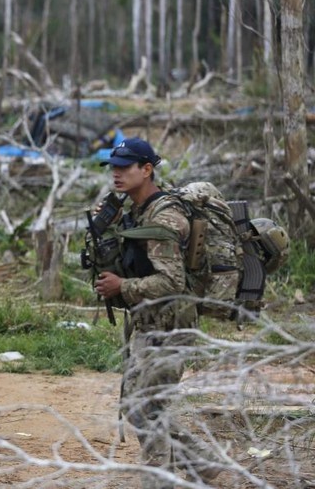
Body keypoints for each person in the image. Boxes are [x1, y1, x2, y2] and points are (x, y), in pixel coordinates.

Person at [94, 138, 223, 488]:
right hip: (149, 325)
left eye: (125, 167)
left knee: (148, 409)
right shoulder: (137, 210)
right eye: (114, 167)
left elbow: (171, 281)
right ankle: (202, 463)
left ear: (147, 169)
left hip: (170, 328)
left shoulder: (165, 216)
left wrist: (123, 287)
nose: (117, 174)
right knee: (142, 407)